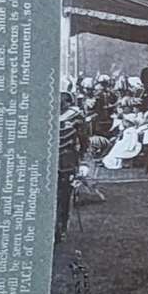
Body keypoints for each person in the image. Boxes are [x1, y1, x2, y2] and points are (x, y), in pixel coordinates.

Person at [56, 90, 89, 242]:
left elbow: (83, 140)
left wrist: (80, 157)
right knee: (63, 196)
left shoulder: (75, 116)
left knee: (63, 196)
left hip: (66, 162)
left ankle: (60, 227)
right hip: (64, 162)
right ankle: (60, 227)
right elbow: (84, 140)